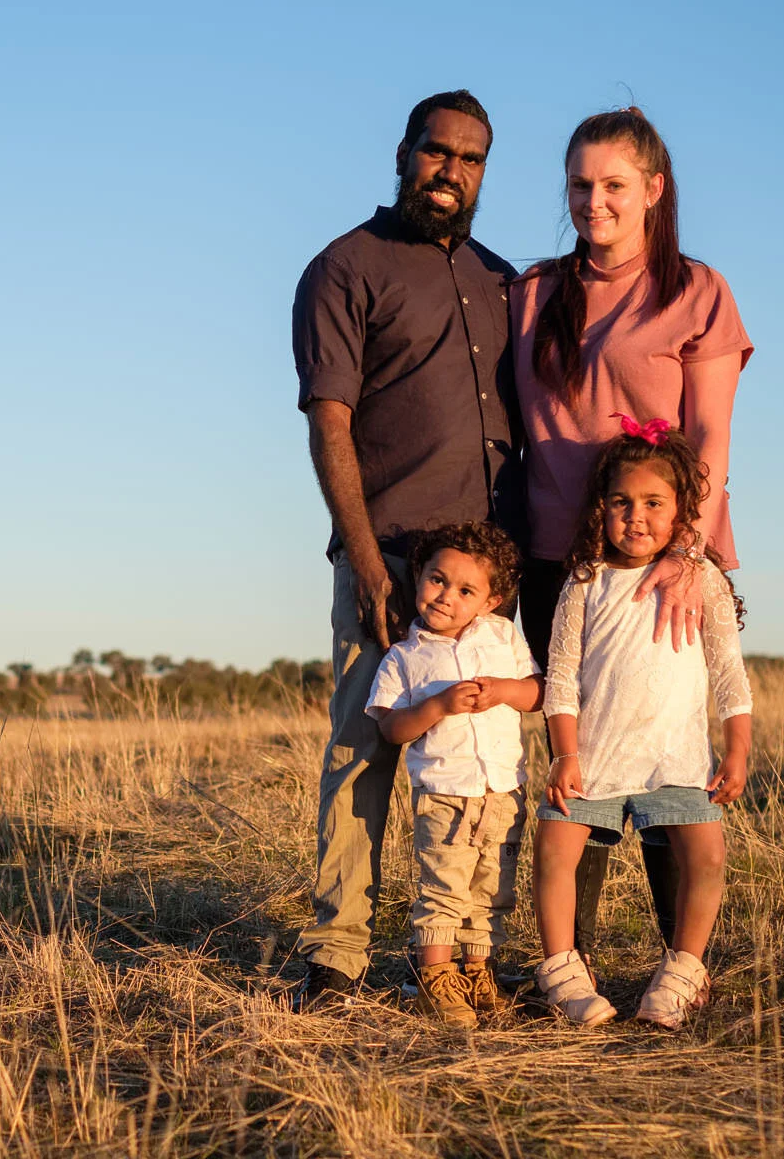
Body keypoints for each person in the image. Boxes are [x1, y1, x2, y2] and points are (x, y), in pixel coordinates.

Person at [291, 90, 524, 1007]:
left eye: (470, 160)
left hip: (492, 581)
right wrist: (366, 562)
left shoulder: (504, 280)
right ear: (403, 152)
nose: (451, 171)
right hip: (391, 562)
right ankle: (337, 956)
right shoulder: (345, 268)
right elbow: (330, 423)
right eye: (437, 152)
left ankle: (472, 950)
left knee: (485, 759)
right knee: (364, 750)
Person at [510, 107, 752, 967]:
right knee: (581, 766)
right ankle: (565, 965)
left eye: (613, 184)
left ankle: (677, 967)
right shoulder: (534, 292)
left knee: (666, 762)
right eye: (580, 184)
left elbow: (711, 436)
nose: (594, 201)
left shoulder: (696, 289)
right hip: (561, 561)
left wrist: (689, 551)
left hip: (668, 566)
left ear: (654, 189)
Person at [531, 420, 752, 1028]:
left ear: (681, 511)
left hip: (676, 755)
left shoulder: (700, 578)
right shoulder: (585, 579)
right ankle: (562, 972)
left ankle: (682, 971)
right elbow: (562, 676)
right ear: (600, 509)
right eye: (621, 502)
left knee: (706, 856)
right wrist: (564, 754)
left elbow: (728, 672)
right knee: (554, 849)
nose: (636, 516)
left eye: (654, 503)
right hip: (594, 756)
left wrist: (736, 748)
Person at [364, 522, 542, 1027]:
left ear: (491, 601)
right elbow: (393, 729)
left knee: (492, 888)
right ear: (418, 576)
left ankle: (476, 970)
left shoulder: (504, 636)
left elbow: (537, 693)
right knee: (443, 888)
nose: (447, 596)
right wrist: (438, 704)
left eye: (466, 590)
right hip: (445, 795)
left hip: (503, 790)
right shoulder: (404, 656)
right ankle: (435, 979)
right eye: (437, 580)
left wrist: (505, 690)